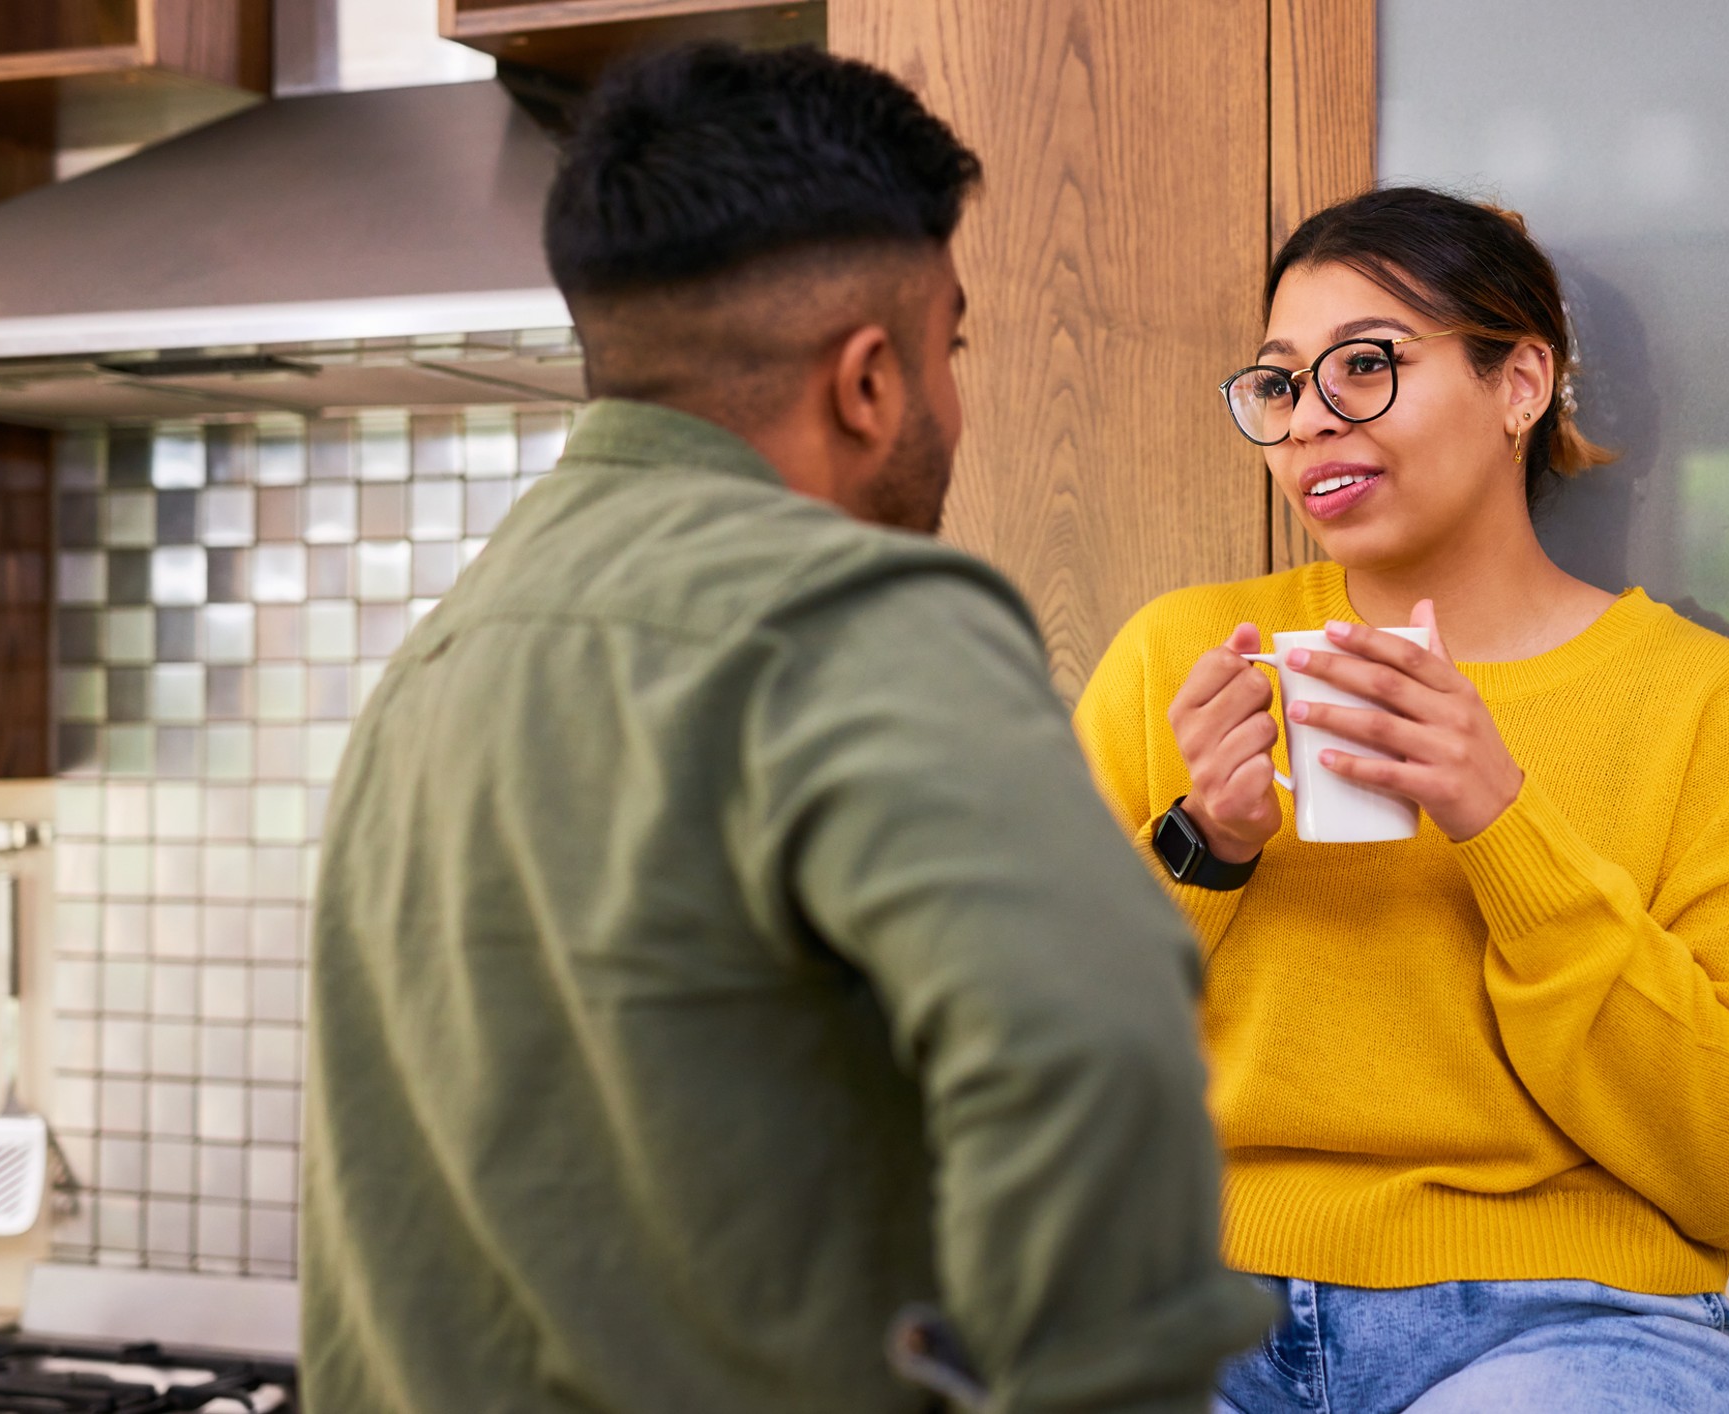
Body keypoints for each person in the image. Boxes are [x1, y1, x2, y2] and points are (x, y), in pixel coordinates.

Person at [302, 43, 1273, 1414]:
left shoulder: (440, 661)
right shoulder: (848, 616)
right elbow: (1091, 1044)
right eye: (957, 347)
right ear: (870, 380)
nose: (955, 399)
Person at [1072, 187, 1729, 1413]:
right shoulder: (1184, 658)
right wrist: (1203, 849)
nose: (1312, 421)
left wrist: (1501, 819)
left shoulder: (1712, 709)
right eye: (1281, 384)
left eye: (1365, 365)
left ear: (1519, 385)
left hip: (1570, 1318)